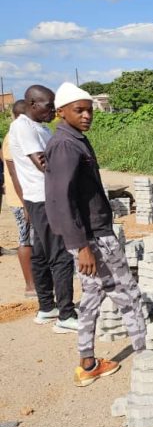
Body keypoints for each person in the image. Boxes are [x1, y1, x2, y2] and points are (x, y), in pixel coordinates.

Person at [45, 82, 147, 386]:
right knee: (129, 294)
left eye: (89, 109)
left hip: (88, 237)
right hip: (94, 238)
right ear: (61, 112)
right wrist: (82, 246)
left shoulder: (73, 139)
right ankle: (147, 359)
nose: (87, 114)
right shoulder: (65, 144)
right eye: (79, 110)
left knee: (91, 297)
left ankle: (87, 362)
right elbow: (61, 199)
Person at [7, 85, 77, 333]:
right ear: (33, 104)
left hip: (42, 198)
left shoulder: (41, 126)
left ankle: (47, 307)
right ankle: (67, 315)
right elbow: (42, 163)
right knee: (61, 255)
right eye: (49, 106)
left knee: (39, 253)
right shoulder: (23, 126)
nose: (53, 110)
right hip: (44, 199)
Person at [2, 100, 36, 297]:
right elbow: (15, 175)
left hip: (27, 198)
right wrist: (25, 204)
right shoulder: (11, 139)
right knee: (26, 240)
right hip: (21, 200)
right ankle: (30, 285)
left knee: (34, 239)